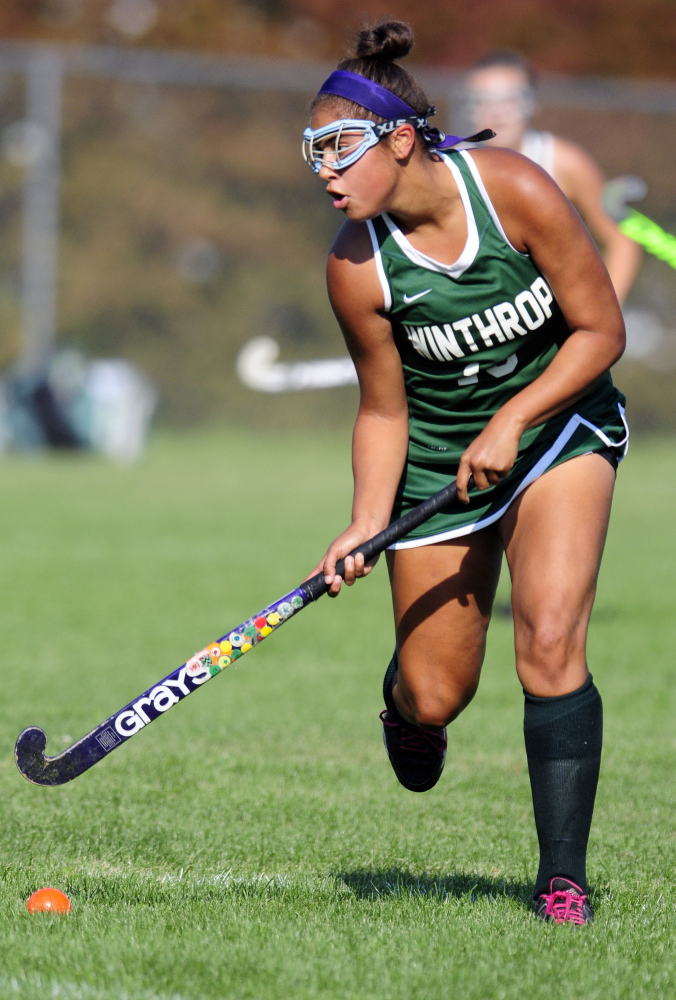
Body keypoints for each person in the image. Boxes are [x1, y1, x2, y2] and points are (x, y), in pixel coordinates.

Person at [303, 19, 628, 925]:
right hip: (440, 464)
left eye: (337, 152)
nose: (324, 174)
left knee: (551, 639)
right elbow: (382, 408)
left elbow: (602, 330)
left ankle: (562, 880)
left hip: (558, 428)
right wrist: (366, 519)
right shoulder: (355, 268)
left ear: (398, 139)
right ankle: (403, 704)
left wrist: (515, 419)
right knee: (438, 690)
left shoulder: (516, 191)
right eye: (312, 156)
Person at [460, 50, 641, 304]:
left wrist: (602, 318)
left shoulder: (565, 163)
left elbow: (622, 243)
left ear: (533, 104)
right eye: (483, 100)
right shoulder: (452, 166)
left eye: (510, 100)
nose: (496, 112)